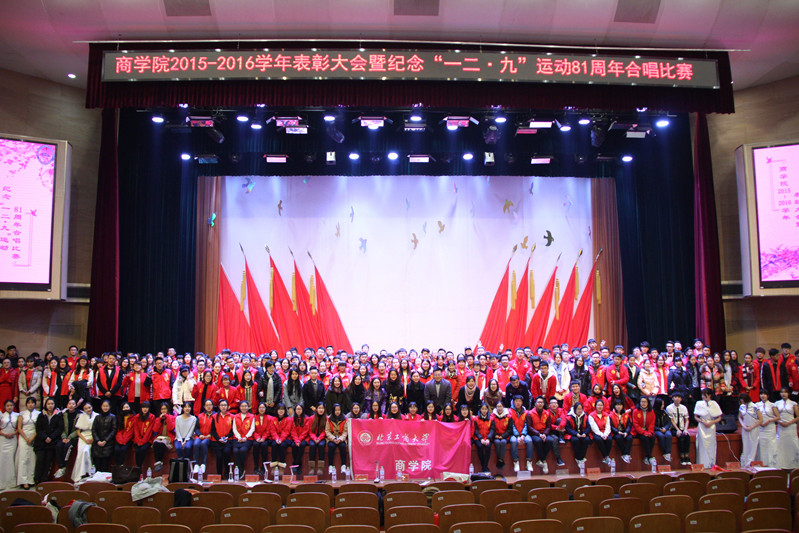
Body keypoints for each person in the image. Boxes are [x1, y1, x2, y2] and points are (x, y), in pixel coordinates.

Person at [33, 397, 63, 484]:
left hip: (52, 442)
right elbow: (38, 429)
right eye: (48, 404)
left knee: (48, 461)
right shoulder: (41, 415)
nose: (50, 406)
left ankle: (44, 479)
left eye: (52, 404)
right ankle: (37, 478)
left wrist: (51, 437)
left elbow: (59, 429)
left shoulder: (59, 415)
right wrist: (45, 437)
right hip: (41, 442)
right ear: (45, 405)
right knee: (40, 460)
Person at [694, 388, 722, 468]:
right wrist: (702, 421)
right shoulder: (699, 403)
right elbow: (696, 416)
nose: (703, 396)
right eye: (702, 395)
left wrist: (711, 422)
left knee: (711, 446)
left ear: (709, 395)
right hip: (702, 426)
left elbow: (719, 418)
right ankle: (702, 463)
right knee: (702, 446)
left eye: (705, 395)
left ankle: (711, 464)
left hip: (711, 426)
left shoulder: (714, 404)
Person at [16, 397, 39, 488]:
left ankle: (31, 479)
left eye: (32, 402)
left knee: (32, 458)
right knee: (23, 458)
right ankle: (23, 480)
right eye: (28, 403)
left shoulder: (39, 414)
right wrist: (26, 438)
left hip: (34, 437)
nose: (30, 404)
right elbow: (19, 428)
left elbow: (39, 428)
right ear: (26, 404)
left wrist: (32, 438)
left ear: (35, 404)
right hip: (23, 437)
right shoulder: (22, 414)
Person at [775, 387, 799, 469]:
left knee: (792, 445)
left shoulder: (793, 403)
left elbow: (798, 416)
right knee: (780, 445)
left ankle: (793, 465)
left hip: (791, 427)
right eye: (782, 392)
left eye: (785, 392)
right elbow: (774, 416)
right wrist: (780, 422)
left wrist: (789, 422)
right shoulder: (777, 403)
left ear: (788, 393)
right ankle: (780, 465)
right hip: (781, 427)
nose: (783, 394)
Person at [72, 401, 96, 482]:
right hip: (83, 437)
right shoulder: (81, 416)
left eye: (89, 407)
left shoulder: (96, 416)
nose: (88, 409)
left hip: (92, 436)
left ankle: (89, 473)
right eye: (86, 408)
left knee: (87, 451)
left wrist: (93, 439)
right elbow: (78, 432)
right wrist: (85, 439)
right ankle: (80, 475)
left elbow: (97, 430)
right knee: (81, 453)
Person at [665, 392, 691, 465]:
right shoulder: (669, 408)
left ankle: (687, 456)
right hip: (673, 428)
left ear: (681, 399)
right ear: (672, 398)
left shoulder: (684, 408)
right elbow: (671, 420)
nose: (677, 398)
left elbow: (687, 420)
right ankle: (682, 457)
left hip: (682, 427)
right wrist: (678, 430)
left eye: (679, 397)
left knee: (687, 436)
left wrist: (685, 429)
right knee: (681, 436)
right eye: (675, 397)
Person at [91, 398, 116, 472]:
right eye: (104, 406)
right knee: (97, 465)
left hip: (108, 444)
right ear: (101, 407)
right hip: (97, 444)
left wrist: (105, 440)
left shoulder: (113, 417)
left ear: (110, 407)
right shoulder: (97, 417)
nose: (105, 408)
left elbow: (114, 430)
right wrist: (97, 440)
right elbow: (94, 430)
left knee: (105, 466)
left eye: (107, 406)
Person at [755, 389, 778, 467]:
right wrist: (759, 422)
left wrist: (769, 421)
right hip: (760, 428)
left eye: (764, 394)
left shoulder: (772, 405)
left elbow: (778, 417)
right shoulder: (757, 405)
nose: (763, 396)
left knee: (771, 445)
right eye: (761, 394)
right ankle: (762, 464)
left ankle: (772, 464)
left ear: (768, 396)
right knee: (761, 445)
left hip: (770, 428)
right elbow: (755, 416)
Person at [211, 398, 234, 476]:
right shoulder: (214, 417)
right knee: (219, 456)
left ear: (228, 406)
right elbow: (213, 430)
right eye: (222, 405)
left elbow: (233, 430)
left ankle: (227, 473)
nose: (223, 407)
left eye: (225, 405)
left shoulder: (232, 416)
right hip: (217, 441)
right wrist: (218, 439)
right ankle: (219, 474)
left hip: (228, 440)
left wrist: (227, 437)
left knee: (227, 453)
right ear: (219, 407)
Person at [231, 400, 254, 478]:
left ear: (248, 407)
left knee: (243, 450)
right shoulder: (236, 416)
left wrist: (246, 437)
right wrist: (239, 437)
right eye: (242, 406)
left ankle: (240, 469)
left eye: (245, 406)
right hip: (237, 438)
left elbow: (252, 429)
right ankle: (240, 469)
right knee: (235, 451)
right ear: (239, 407)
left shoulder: (252, 416)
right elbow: (234, 428)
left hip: (248, 438)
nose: (244, 408)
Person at [509, 395, 532, 472]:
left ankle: (529, 461)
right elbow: (511, 425)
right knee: (513, 441)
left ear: (522, 402)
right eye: (516, 401)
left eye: (519, 401)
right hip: (513, 434)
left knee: (529, 441)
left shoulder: (526, 412)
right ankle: (516, 462)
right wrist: (517, 436)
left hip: (524, 434)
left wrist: (523, 435)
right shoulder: (509, 412)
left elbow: (526, 424)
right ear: (513, 402)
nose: (518, 403)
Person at [738, 393, 761, 468]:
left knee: (752, 447)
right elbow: (740, 417)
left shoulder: (755, 407)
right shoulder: (742, 406)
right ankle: (744, 464)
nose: (742, 402)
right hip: (745, 429)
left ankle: (750, 464)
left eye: (743, 400)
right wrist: (743, 425)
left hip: (753, 429)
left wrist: (752, 427)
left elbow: (761, 420)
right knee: (745, 446)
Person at [132, 402, 157, 469]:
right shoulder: (137, 417)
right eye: (143, 407)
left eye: (146, 407)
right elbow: (136, 430)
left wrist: (143, 441)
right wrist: (139, 441)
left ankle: (139, 467)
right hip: (138, 439)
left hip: (148, 439)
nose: (145, 409)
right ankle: (137, 467)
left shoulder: (152, 417)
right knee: (137, 450)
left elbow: (149, 431)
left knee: (142, 449)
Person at [632, 396, 656, 466]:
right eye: (642, 402)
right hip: (638, 431)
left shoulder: (651, 411)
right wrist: (644, 432)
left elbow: (652, 423)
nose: (643, 403)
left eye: (645, 402)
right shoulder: (635, 411)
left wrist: (649, 432)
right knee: (645, 438)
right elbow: (635, 424)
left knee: (652, 437)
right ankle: (649, 456)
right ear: (639, 403)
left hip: (648, 431)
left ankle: (647, 457)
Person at [0, 399, 18, 490]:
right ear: (5, 407)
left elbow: (19, 428)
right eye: (7, 406)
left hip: (13, 439)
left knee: (11, 458)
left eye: (11, 405)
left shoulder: (17, 415)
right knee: (3, 459)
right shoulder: (2, 416)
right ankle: (2, 482)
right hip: (3, 439)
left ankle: (11, 482)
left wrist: (13, 433)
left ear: (13, 406)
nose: (9, 407)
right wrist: (4, 434)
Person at [269, 403, 292, 475]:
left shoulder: (288, 419)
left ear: (285, 411)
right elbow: (272, 430)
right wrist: (276, 439)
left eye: (282, 409)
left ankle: (282, 466)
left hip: (286, 438)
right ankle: (274, 466)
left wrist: (281, 439)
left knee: (282, 446)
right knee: (274, 445)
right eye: (279, 409)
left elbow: (287, 431)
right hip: (276, 438)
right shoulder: (273, 419)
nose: (281, 411)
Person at [194, 399, 215, 475]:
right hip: (200, 436)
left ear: (212, 406)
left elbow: (216, 428)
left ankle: (203, 464)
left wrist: (211, 434)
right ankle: (196, 464)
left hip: (210, 437)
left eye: (210, 405)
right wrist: (199, 434)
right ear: (204, 407)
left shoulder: (215, 416)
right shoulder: (200, 416)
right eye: (207, 405)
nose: (208, 407)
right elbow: (196, 428)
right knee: (196, 444)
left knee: (203, 444)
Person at [589, 398, 612, 465]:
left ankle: (605, 457)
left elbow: (608, 426)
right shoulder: (591, 415)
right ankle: (606, 456)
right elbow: (594, 427)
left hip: (605, 432)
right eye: (598, 405)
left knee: (609, 439)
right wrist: (601, 435)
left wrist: (606, 434)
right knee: (599, 439)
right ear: (595, 406)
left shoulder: (606, 415)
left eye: (601, 405)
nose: (600, 407)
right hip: (595, 432)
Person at [490, 401, 511, 471]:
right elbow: (491, 427)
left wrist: (503, 436)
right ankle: (501, 460)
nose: (499, 408)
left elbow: (509, 429)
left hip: (504, 436)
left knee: (503, 442)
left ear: (503, 407)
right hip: (495, 436)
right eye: (498, 407)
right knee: (497, 442)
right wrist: (495, 435)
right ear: (496, 408)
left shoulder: (508, 416)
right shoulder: (492, 417)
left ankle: (500, 459)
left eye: (501, 406)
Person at [610, 399, 632, 464]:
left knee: (630, 438)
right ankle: (624, 453)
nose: (618, 406)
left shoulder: (626, 415)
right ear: (614, 406)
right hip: (616, 432)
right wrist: (617, 432)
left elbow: (629, 425)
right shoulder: (611, 415)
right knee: (618, 438)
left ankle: (626, 454)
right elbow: (611, 426)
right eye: (617, 405)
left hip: (624, 431)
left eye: (620, 405)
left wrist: (626, 432)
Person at [472, 403, 493, 473]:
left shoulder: (491, 419)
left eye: (485, 409)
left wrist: (488, 438)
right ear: (480, 409)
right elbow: (476, 430)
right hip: (478, 438)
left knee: (488, 447)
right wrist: (481, 438)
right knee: (480, 446)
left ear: (488, 410)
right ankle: (484, 466)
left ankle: (484, 466)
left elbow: (492, 429)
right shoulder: (476, 418)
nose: (484, 410)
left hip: (488, 438)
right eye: (482, 409)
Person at [289, 403, 309, 474]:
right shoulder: (292, 419)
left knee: (302, 445)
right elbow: (292, 431)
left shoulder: (306, 419)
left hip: (304, 438)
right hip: (295, 438)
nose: (299, 411)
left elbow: (306, 431)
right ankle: (298, 465)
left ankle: (295, 463)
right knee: (293, 446)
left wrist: (299, 440)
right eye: (297, 409)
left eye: (300, 409)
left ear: (303, 410)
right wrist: (296, 440)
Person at [308, 403, 327, 477]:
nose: (321, 410)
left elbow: (325, 431)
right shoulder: (311, 418)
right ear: (316, 409)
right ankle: (311, 468)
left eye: (322, 408)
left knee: (321, 445)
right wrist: (314, 438)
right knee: (312, 446)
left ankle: (320, 468)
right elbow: (310, 431)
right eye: (319, 408)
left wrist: (319, 438)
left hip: (322, 437)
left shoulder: (326, 418)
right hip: (313, 437)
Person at [252, 402, 271, 475]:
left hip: (265, 438)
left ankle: (263, 467)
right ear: (258, 409)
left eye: (263, 408)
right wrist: (257, 437)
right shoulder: (254, 417)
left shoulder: (269, 418)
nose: (261, 409)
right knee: (255, 445)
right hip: (257, 438)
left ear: (265, 409)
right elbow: (253, 430)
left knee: (264, 445)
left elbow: (268, 430)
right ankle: (256, 466)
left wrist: (263, 438)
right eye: (260, 407)